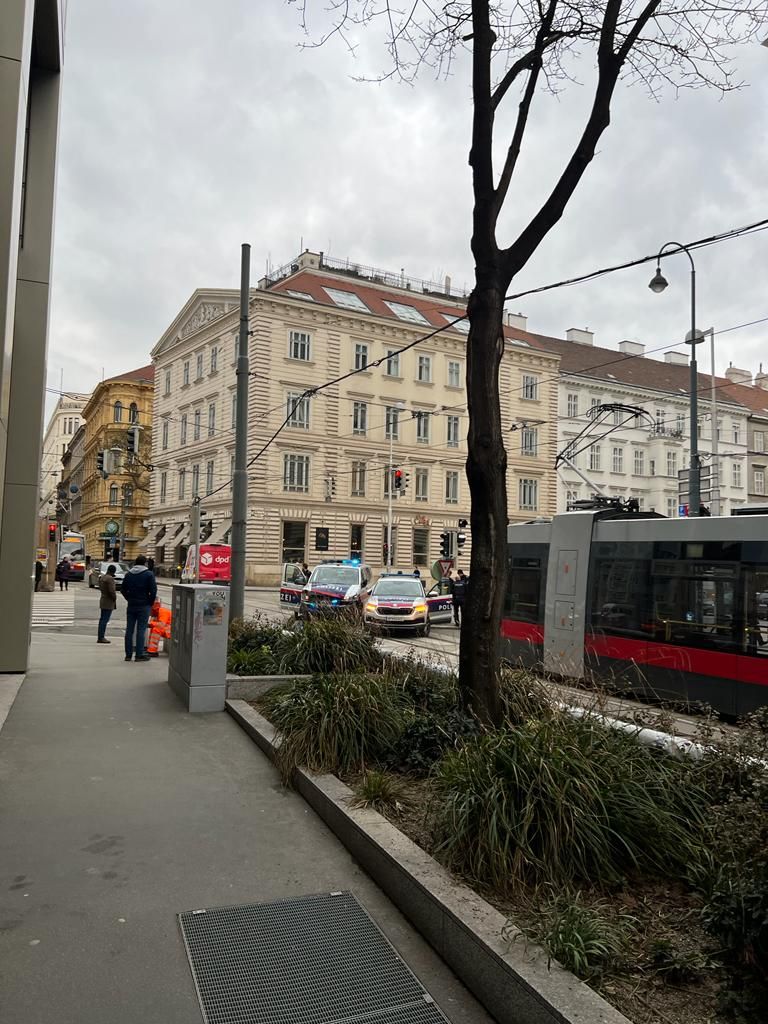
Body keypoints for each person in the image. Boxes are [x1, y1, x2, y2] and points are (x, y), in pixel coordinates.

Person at [121, 555, 157, 662]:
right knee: (141, 630)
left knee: (129, 630)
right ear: (145, 563)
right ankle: (139, 655)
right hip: (144, 605)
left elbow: (123, 589)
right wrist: (149, 602)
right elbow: (153, 591)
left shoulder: (129, 574)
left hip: (131, 605)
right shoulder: (149, 574)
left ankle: (128, 655)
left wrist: (129, 599)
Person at [97, 564, 117, 644]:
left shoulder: (102, 577)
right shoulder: (110, 579)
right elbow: (112, 591)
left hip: (103, 599)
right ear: (113, 571)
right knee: (105, 620)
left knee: (102, 619)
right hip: (108, 601)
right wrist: (114, 598)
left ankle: (100, 636)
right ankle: (101, 637)